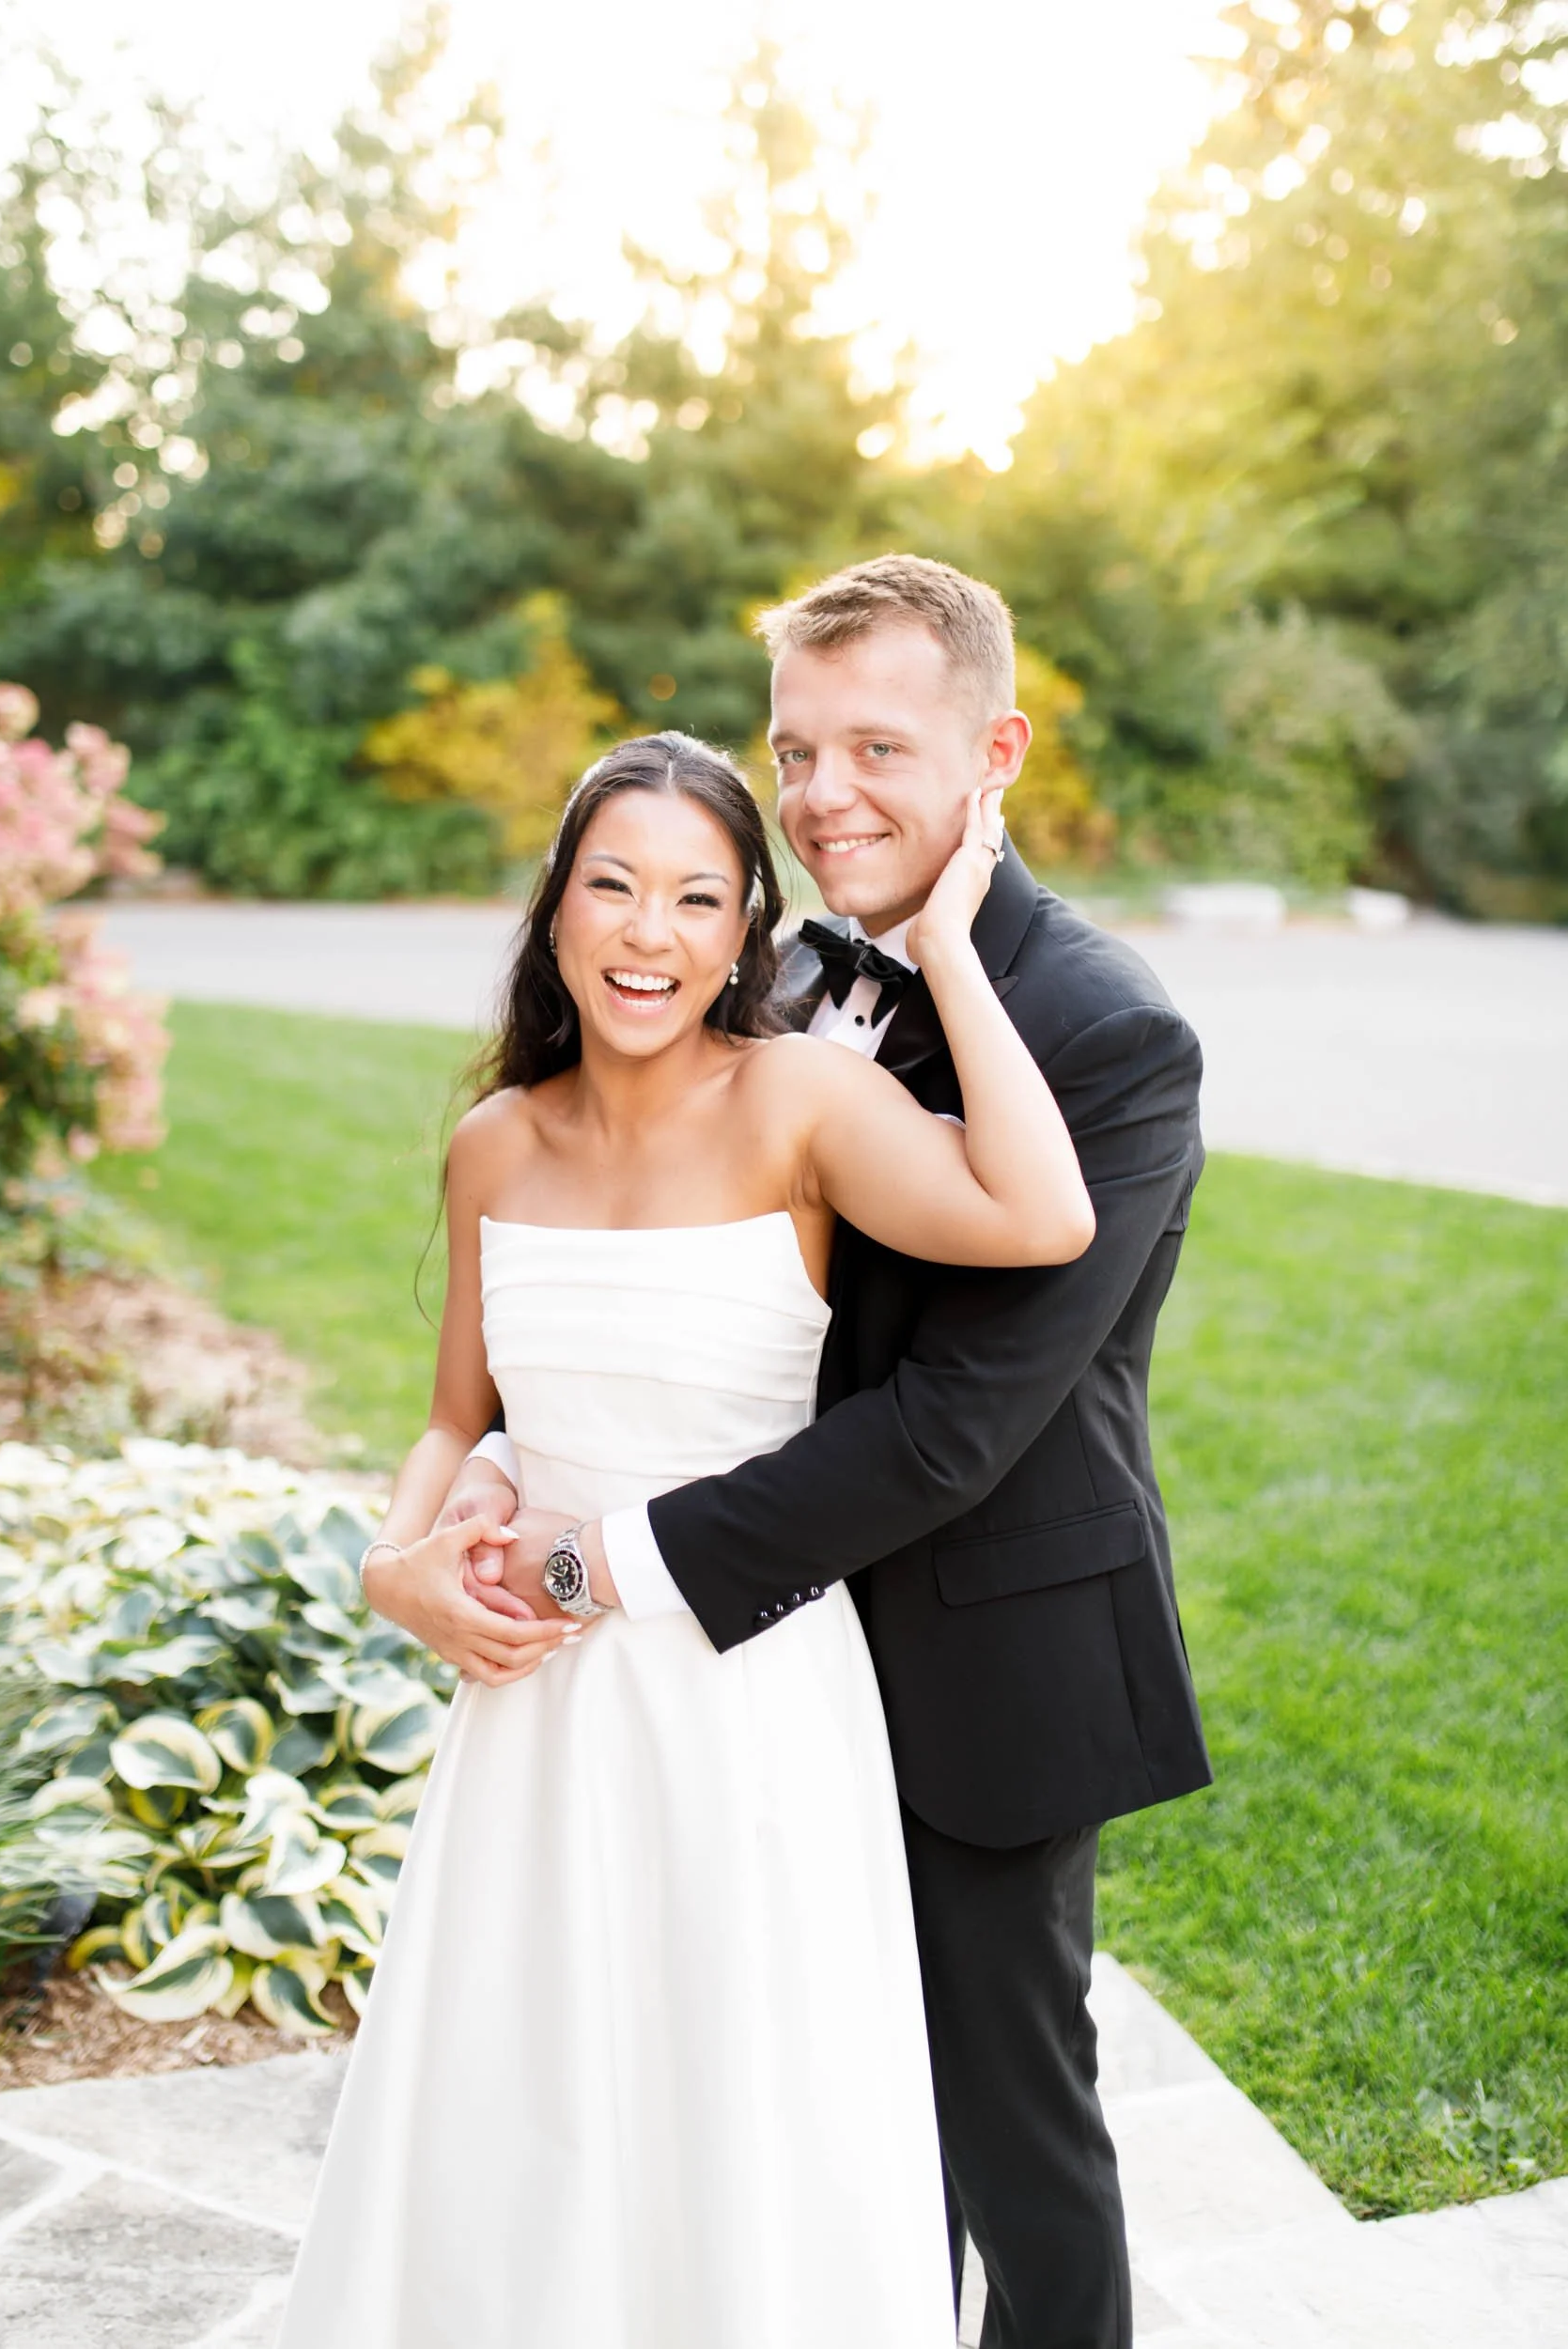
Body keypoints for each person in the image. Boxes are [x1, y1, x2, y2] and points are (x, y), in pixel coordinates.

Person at [452, 556, 1213, 2349]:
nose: (822, 797)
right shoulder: (773, 970)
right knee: (810, 2127)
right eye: (796, 752)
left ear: (995, 750)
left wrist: (608, 1563)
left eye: (878, 747)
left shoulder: (1110, 1035)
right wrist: (503, 1480)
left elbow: (955, 1424)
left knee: (1006, 2140)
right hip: (762, 1682)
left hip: (977, 1652)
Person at [276, 722, 1096, 2349]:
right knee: (530, 2109)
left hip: (751, 1698)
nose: (647, 934)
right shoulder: (493, 1142)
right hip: (535, 1714)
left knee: (746, 2110)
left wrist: (949, 950)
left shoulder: (801, 1099)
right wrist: (398, 1562)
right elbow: (460, 1419)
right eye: (614, 887)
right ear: (558, 909)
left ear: (743, 938)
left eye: (696, 900)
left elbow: (1041, 1214)